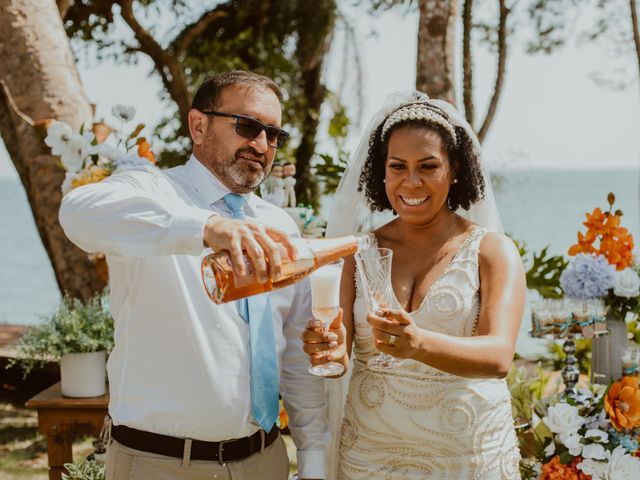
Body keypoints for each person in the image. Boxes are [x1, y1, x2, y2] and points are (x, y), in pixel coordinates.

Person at [59, 70, 330, 480]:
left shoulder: (281, 226)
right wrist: (205, 228)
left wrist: (312, 457)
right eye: (247, 126)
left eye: (273, 135)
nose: (260, 144)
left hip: (267, 462)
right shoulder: (154, 192)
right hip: (160, 465)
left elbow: (294, 353)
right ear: (198, 125)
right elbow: (77, 213)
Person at [303, 91, 525, 479]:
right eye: (398, 166)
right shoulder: (358, 252)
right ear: (382, 172)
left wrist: (418, 344)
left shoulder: (493, 251)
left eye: (428, 166)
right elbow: (340, 357)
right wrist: (328, 351)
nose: (412, 181)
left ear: (454, 169)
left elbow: (499, 356)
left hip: (465, 457)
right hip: (370, 457)